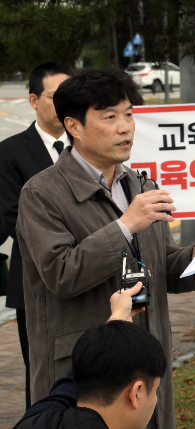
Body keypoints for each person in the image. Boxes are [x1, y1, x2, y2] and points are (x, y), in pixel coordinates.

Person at [16, 68, 195, 429]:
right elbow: (61, 274)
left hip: (145, 362)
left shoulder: (140, 185)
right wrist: (126, 224)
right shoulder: (41, 194)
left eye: (128, 114)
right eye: (109, 117)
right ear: (74, 126)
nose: (125, 127)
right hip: (85, 371)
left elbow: (159, 265)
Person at [0, 62, 72, 409]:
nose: (64, 104)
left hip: (87, 276)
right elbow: (12, 215)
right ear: (33, 100)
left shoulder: (87, 144)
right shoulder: (10, 151)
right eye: (55, 97)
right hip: (33, 281)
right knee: (41, 374)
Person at [14, 283, 167, 429]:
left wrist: (117, 318)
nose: (155, 399)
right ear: (136, 394)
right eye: (155, 390)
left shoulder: (37, 421)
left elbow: (68, 387)